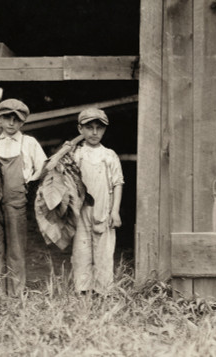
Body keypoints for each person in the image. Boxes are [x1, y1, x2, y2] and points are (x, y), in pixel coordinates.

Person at [0, 98, 47, 297]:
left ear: (22, 122)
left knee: (16, 249)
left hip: (16, 203)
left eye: (16, 119)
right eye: (7, 118)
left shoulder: (28, 143)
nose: (11, 123)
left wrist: (29, 180)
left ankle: (15, 293)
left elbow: (43, 166)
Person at [71, 107, 124, 294]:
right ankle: (82, 291)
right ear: (80, 129)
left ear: (104, 130)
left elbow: (118, 183)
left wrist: (115, 211)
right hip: (81, 211)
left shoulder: (109, 155)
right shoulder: (75, 154)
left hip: (104, 210)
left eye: (99, 128)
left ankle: (103, 292)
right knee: (82, 252)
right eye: (89, 127)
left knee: (104, 253)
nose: (94, 132)